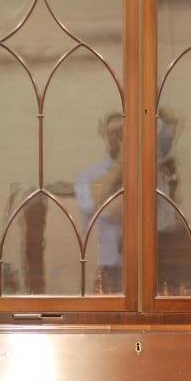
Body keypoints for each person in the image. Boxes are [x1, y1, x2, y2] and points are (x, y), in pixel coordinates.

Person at [74, 112, 124, 294]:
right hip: (108, 267)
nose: (118, 137)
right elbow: (92, 208)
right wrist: (120, 166)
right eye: (113, 132)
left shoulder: (149, 172)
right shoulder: (90, 175)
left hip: (145, 269)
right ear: (104, 135)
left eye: (123, 131)